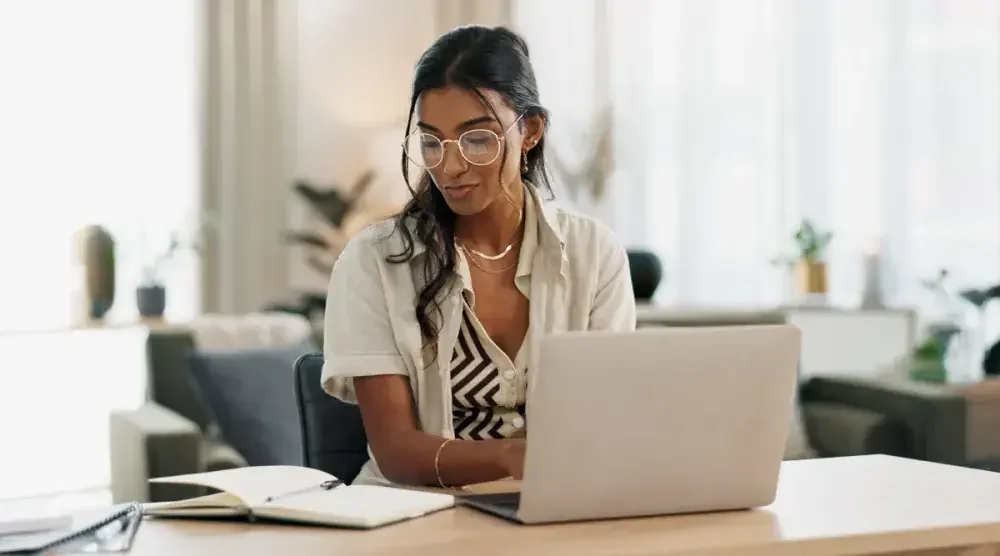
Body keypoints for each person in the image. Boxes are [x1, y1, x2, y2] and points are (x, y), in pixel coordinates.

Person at [322, 24, 636, 488]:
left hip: (554, 509)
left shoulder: (595, 254)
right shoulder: (372, 262)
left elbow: (605, 420)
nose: (450, 166)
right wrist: (512, 458)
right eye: (432, 141)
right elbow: (396, 452)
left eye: (477, 139)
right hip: (411, 515)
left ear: (529, 131)